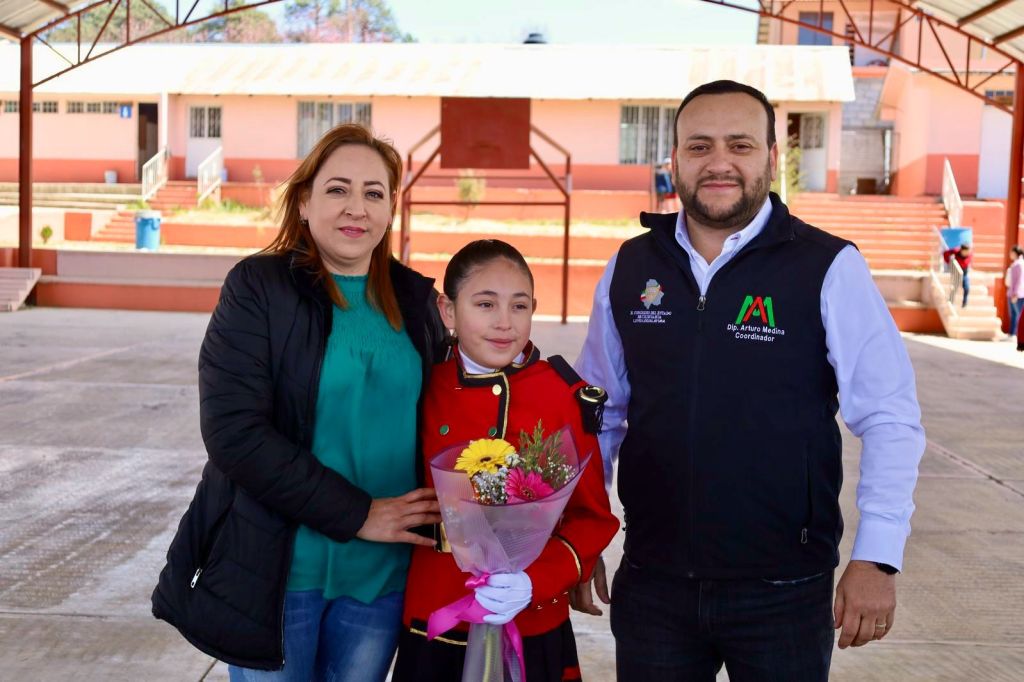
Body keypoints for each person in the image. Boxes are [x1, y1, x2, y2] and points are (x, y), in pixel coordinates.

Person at [573, 80, 925, 681]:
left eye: (739, 145)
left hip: (784, 590)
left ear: (771, 157)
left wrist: (877, 557)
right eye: (699, 146)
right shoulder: (631, 266)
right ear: (675, 159)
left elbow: (890, 417)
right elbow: (598, 414)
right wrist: (580, 534)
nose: (719, 162)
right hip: (654, 584)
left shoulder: (827, 266)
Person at [151, 123, 448, 681]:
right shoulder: (258, 288)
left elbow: (454, 415)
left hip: (383, 576)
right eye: (337, 189)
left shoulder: (417, 301)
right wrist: (359, 514)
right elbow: (234, 433)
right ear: (305, 202)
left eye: (374, 192)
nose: (356, 207)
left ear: (390, 209)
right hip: (279, 575)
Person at [393, 239, 619, 682]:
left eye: (519, 306)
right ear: (448, 311)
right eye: (485, 304)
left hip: (532, 617)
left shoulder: (561, 395)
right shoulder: (421, 386)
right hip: (435, 612)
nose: (504, 322)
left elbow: (591, 519)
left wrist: (535, 580)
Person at [943, 242, 973, 307]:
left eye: (968, 251)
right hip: (956, 272)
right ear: (962, 250)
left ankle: (964, 302)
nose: (967, 253)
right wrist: (948, 262)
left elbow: (965, 263)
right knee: (954, 287)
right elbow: (945, 253)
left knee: (966, 288)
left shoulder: (969, 255)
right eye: (965, 251)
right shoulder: (956, 251)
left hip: (964, 273)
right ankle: (951, 301)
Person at [1004, 245, 1024, 338]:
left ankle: (1015, 334)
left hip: (1017, 294)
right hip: (1012, 293)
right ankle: (1012, 333)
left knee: (1018, 315)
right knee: (1013, 315)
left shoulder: (1019, 264)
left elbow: (1019, 280)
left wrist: (1015, 293)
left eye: (1011, 252)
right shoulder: (1016, 263)